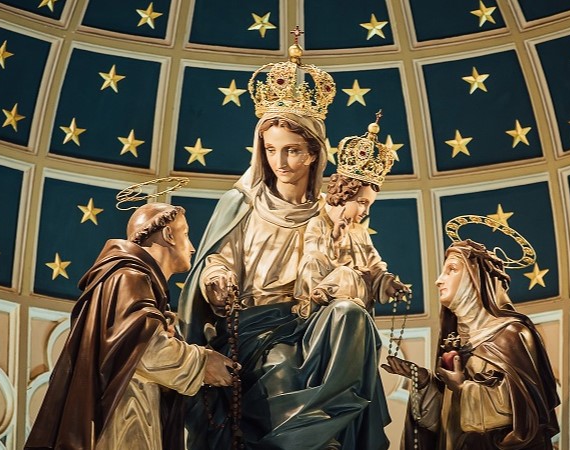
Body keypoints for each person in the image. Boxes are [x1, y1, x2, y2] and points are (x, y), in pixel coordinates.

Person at [179, 40, 390, 450]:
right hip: (254, 329)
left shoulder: (328, 213)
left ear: (314, 154)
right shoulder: (243, 204)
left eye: (292, 151)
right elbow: (218, 258)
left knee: (351, 317)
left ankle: (325, 424)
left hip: (310, 323)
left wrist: (356, 282)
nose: (279, 161)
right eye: (271, 150)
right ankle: (308, 435)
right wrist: (216, 277)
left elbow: (358, 271)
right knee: (281, 370)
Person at [25, 203, 235, 450]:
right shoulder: (128, 278)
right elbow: (144, 350)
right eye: (186, 234)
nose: (191, 247)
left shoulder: (136, 282)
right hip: (123, 417)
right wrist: (202, 362)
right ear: (168, 235)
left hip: (132, 413)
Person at [382, 239, 560, 450]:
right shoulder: (455, 341)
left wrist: (462, 388)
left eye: (452, 270)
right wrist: (424, 382)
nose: (439, 280)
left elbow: (525, 416)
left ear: (475, 277)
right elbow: (447, 421)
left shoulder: (510, 336)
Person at [293, 116, 410, 319]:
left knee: (348, 274)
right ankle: (317, 302)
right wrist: (334, 240)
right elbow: (313, 260)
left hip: (356, 295)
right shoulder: (318, 223)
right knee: (327, 266)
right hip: (320, 296)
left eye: (369, 205)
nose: (366, 211)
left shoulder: (360, 233)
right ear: (345, 193)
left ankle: (330, 297)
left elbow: (375, 266)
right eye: (362, 202)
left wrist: (388, 282)